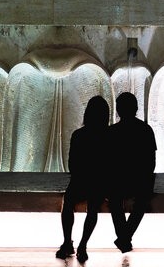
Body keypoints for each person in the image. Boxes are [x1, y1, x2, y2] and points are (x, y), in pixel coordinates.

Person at [58, 95, 110, 262]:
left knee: (68, 202)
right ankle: (83, 246)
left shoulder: (79, 135)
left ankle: (67, 242)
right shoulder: (108, 135)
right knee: (93, 209)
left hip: (80, 180)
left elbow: (72, 163)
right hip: (99, 181)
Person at [107, 91, 157, 253]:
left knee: (115, 200)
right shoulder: (145, 130)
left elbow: (107, 160)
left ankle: (124, 238)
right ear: (136, 109)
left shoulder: (112, 132)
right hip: (140, 179)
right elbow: (151, 160)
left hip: (119, 179)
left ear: (118, 110)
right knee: (141, 202)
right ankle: (125, 237)